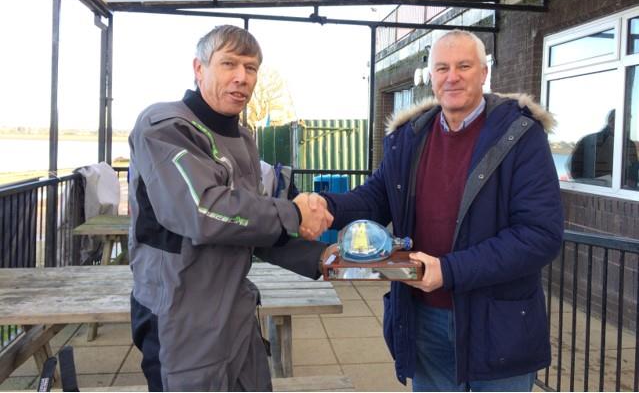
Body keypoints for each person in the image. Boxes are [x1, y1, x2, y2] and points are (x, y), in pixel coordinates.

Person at [304, 30, 564, 391]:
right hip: (423, 319)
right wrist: (326, 206)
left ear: (484, 72)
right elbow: (376, 198)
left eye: (464, 66)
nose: (452, 76)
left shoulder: (521, 137)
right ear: (431, 76)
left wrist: (450, 270)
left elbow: (540, 236)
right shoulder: (410, 137)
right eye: (442, 67)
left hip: (496, 325)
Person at [127, 25, 333, 391]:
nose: (241, 78)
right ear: (199, 68)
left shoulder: (243, 138)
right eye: (229, 64)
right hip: (180, 316)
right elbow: (203, 211)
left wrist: (324, 258)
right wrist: (295, 213)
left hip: (235, 310)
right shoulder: (163, 126)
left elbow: (247, 224)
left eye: (251, 68)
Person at [568, 109, 638, 187]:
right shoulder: (589, 141)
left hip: (622, 193)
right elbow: (574, 167)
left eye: (628, 120)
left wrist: (630, 183)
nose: (627, 123)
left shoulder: (630, 145)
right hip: (596, 191)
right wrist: (588, 185)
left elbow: (633, 173)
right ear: (610, 121)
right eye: (624, 119)